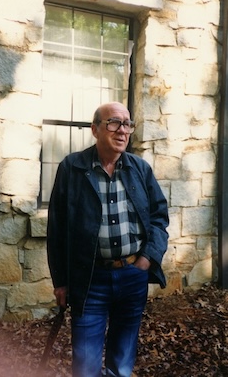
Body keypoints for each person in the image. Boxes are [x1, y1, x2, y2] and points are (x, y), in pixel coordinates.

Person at [47, 101, 169, 377]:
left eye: (127, 124)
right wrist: (61, 282)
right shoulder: (72, 168)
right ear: (95, 129)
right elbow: (57, 231)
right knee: (86, 364)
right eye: (114, 122)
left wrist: (147, 259)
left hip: (132, 275)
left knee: (122, 362)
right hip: (89, 279)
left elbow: (159, 217)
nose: (122, 131)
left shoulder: (140, 169)